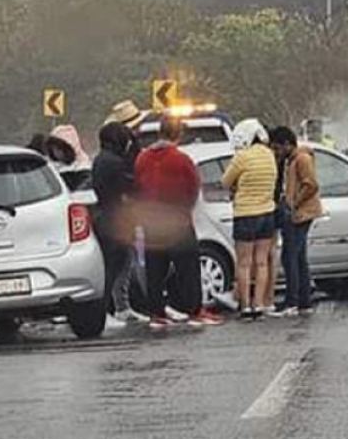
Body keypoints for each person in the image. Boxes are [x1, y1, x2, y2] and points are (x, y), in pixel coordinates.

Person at [134, 116, 222, 329]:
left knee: (154, 268)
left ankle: (156, 312)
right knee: (187, 268)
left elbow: (137, 187)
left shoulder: (142, 159)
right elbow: (193, 187)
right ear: (178, 134)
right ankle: (194, 310)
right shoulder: (181, 159)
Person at [91, 121, 148, 325]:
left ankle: (122, 307)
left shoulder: (101, 160)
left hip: (107, 217)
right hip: (116, 219)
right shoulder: (114, 163)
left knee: (122, 263)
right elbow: (131, 186)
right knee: (114, 266)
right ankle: (106, 310)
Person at [222, 119, 279, 320]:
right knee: (262, 262)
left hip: (245, 214)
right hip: (267, 213)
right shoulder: (269, 155)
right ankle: (259, 305)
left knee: (244, 263)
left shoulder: (242, 157)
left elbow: (225, 181)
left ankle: (245, 306)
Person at [270, 126, 322, 316]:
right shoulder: (290, 160)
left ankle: (292, 300)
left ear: (287, 144)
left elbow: (311, 185)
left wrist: (293, 203)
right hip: (296, 212)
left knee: (290, 256)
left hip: (301, 214)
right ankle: (304, 301)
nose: (276, 152)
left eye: (278, 148)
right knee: (299, 257)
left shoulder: (302, 159)